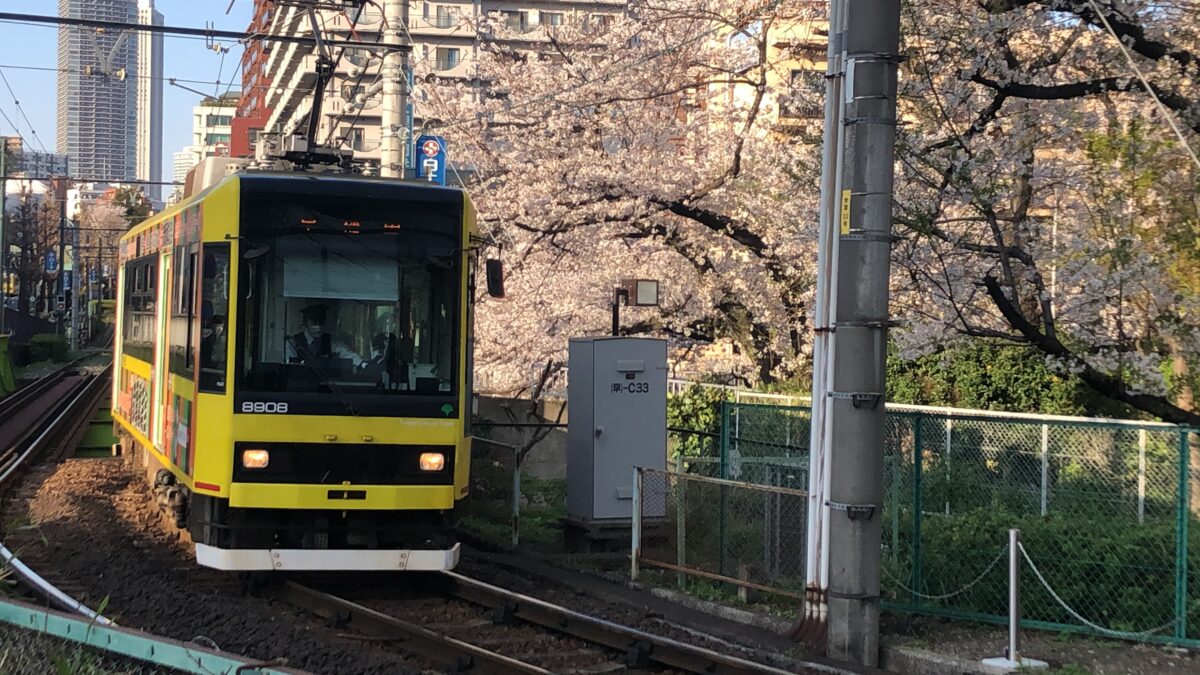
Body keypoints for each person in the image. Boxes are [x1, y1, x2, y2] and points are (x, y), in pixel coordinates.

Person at [285, 304, 365, 367]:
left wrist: (363, 364)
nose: (319, 327)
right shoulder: (293, 343)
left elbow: (347, 354)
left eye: (321, 323)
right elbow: (289, 363)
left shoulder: (331, 341)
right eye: (314, 324)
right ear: (305, 324)